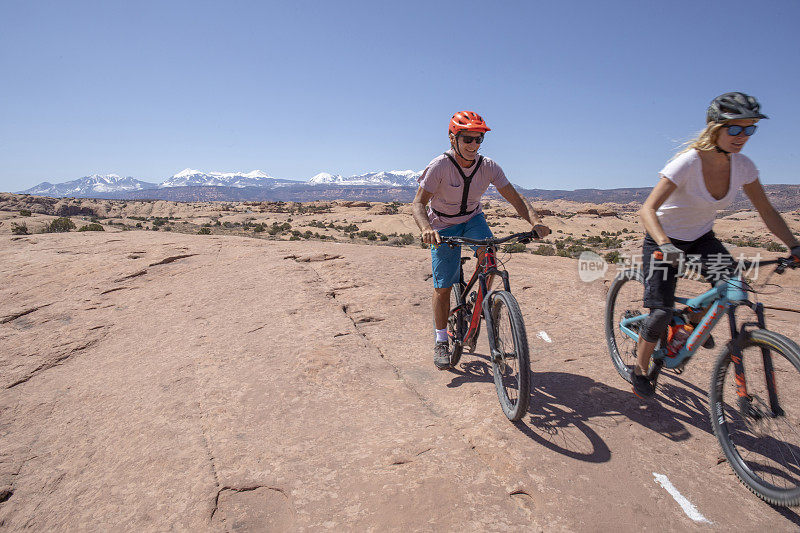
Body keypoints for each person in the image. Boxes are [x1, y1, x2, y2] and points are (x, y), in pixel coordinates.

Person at [633, 92, 800, 398]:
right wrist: (665, 245)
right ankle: (640, 369)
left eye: (750, 129)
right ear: (715, 128)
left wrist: (793, 245)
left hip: (701, 239)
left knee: (733, 285)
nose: (742, 137)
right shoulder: (688, 162)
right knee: (659, 312)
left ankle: (690, 322)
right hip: (663, 238)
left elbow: (766, 210)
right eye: (735, 129)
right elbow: (646, 209)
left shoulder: (744, 166)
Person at [412, 111, 551, 370]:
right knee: (443, 287)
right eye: (468, 139)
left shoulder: (488, 167)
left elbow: (514, 197)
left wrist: (534, 221)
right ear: (453, 138)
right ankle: (441, 340)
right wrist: (426, 229)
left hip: (473, 219)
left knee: (489, 257)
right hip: (442, 224)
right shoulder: (439, 167)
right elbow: (418, 204)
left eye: (479, 140)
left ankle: (483, 301)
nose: (474, 145)